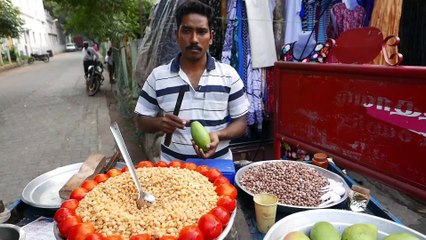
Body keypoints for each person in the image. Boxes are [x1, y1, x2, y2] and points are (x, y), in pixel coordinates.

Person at [134, 0, 249, 162]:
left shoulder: (229, 76)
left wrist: (219, 135)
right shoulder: (158, 76)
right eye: (187, 31)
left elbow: (241, 122)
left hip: (218, 170)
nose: (194, 39)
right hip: (173, 171)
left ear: (211, 37)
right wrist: (160, 123)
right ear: (177, 35)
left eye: (201, 32)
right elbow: (141, 121)